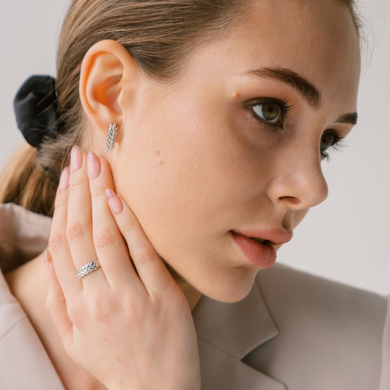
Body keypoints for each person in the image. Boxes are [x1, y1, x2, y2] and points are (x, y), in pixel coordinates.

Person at [0, 0, 388, 389]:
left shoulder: (375, 355)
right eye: (268, 111)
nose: (313, 189)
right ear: (111, 92)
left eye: (327, 141)